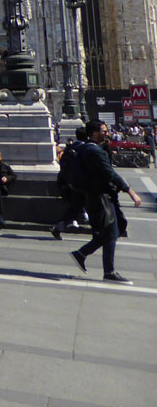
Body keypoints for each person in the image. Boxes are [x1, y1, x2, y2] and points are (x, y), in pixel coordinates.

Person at [70, 120, 142, 284]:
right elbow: (110, 173)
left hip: (99, 195)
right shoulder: (92, 151)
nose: (107, 133)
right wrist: (130, 191)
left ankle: (81, 254)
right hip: (100, 197)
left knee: (110, 231)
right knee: (110, 231)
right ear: (94, 132)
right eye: (104, 130)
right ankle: (108, 272)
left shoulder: (89, 148)